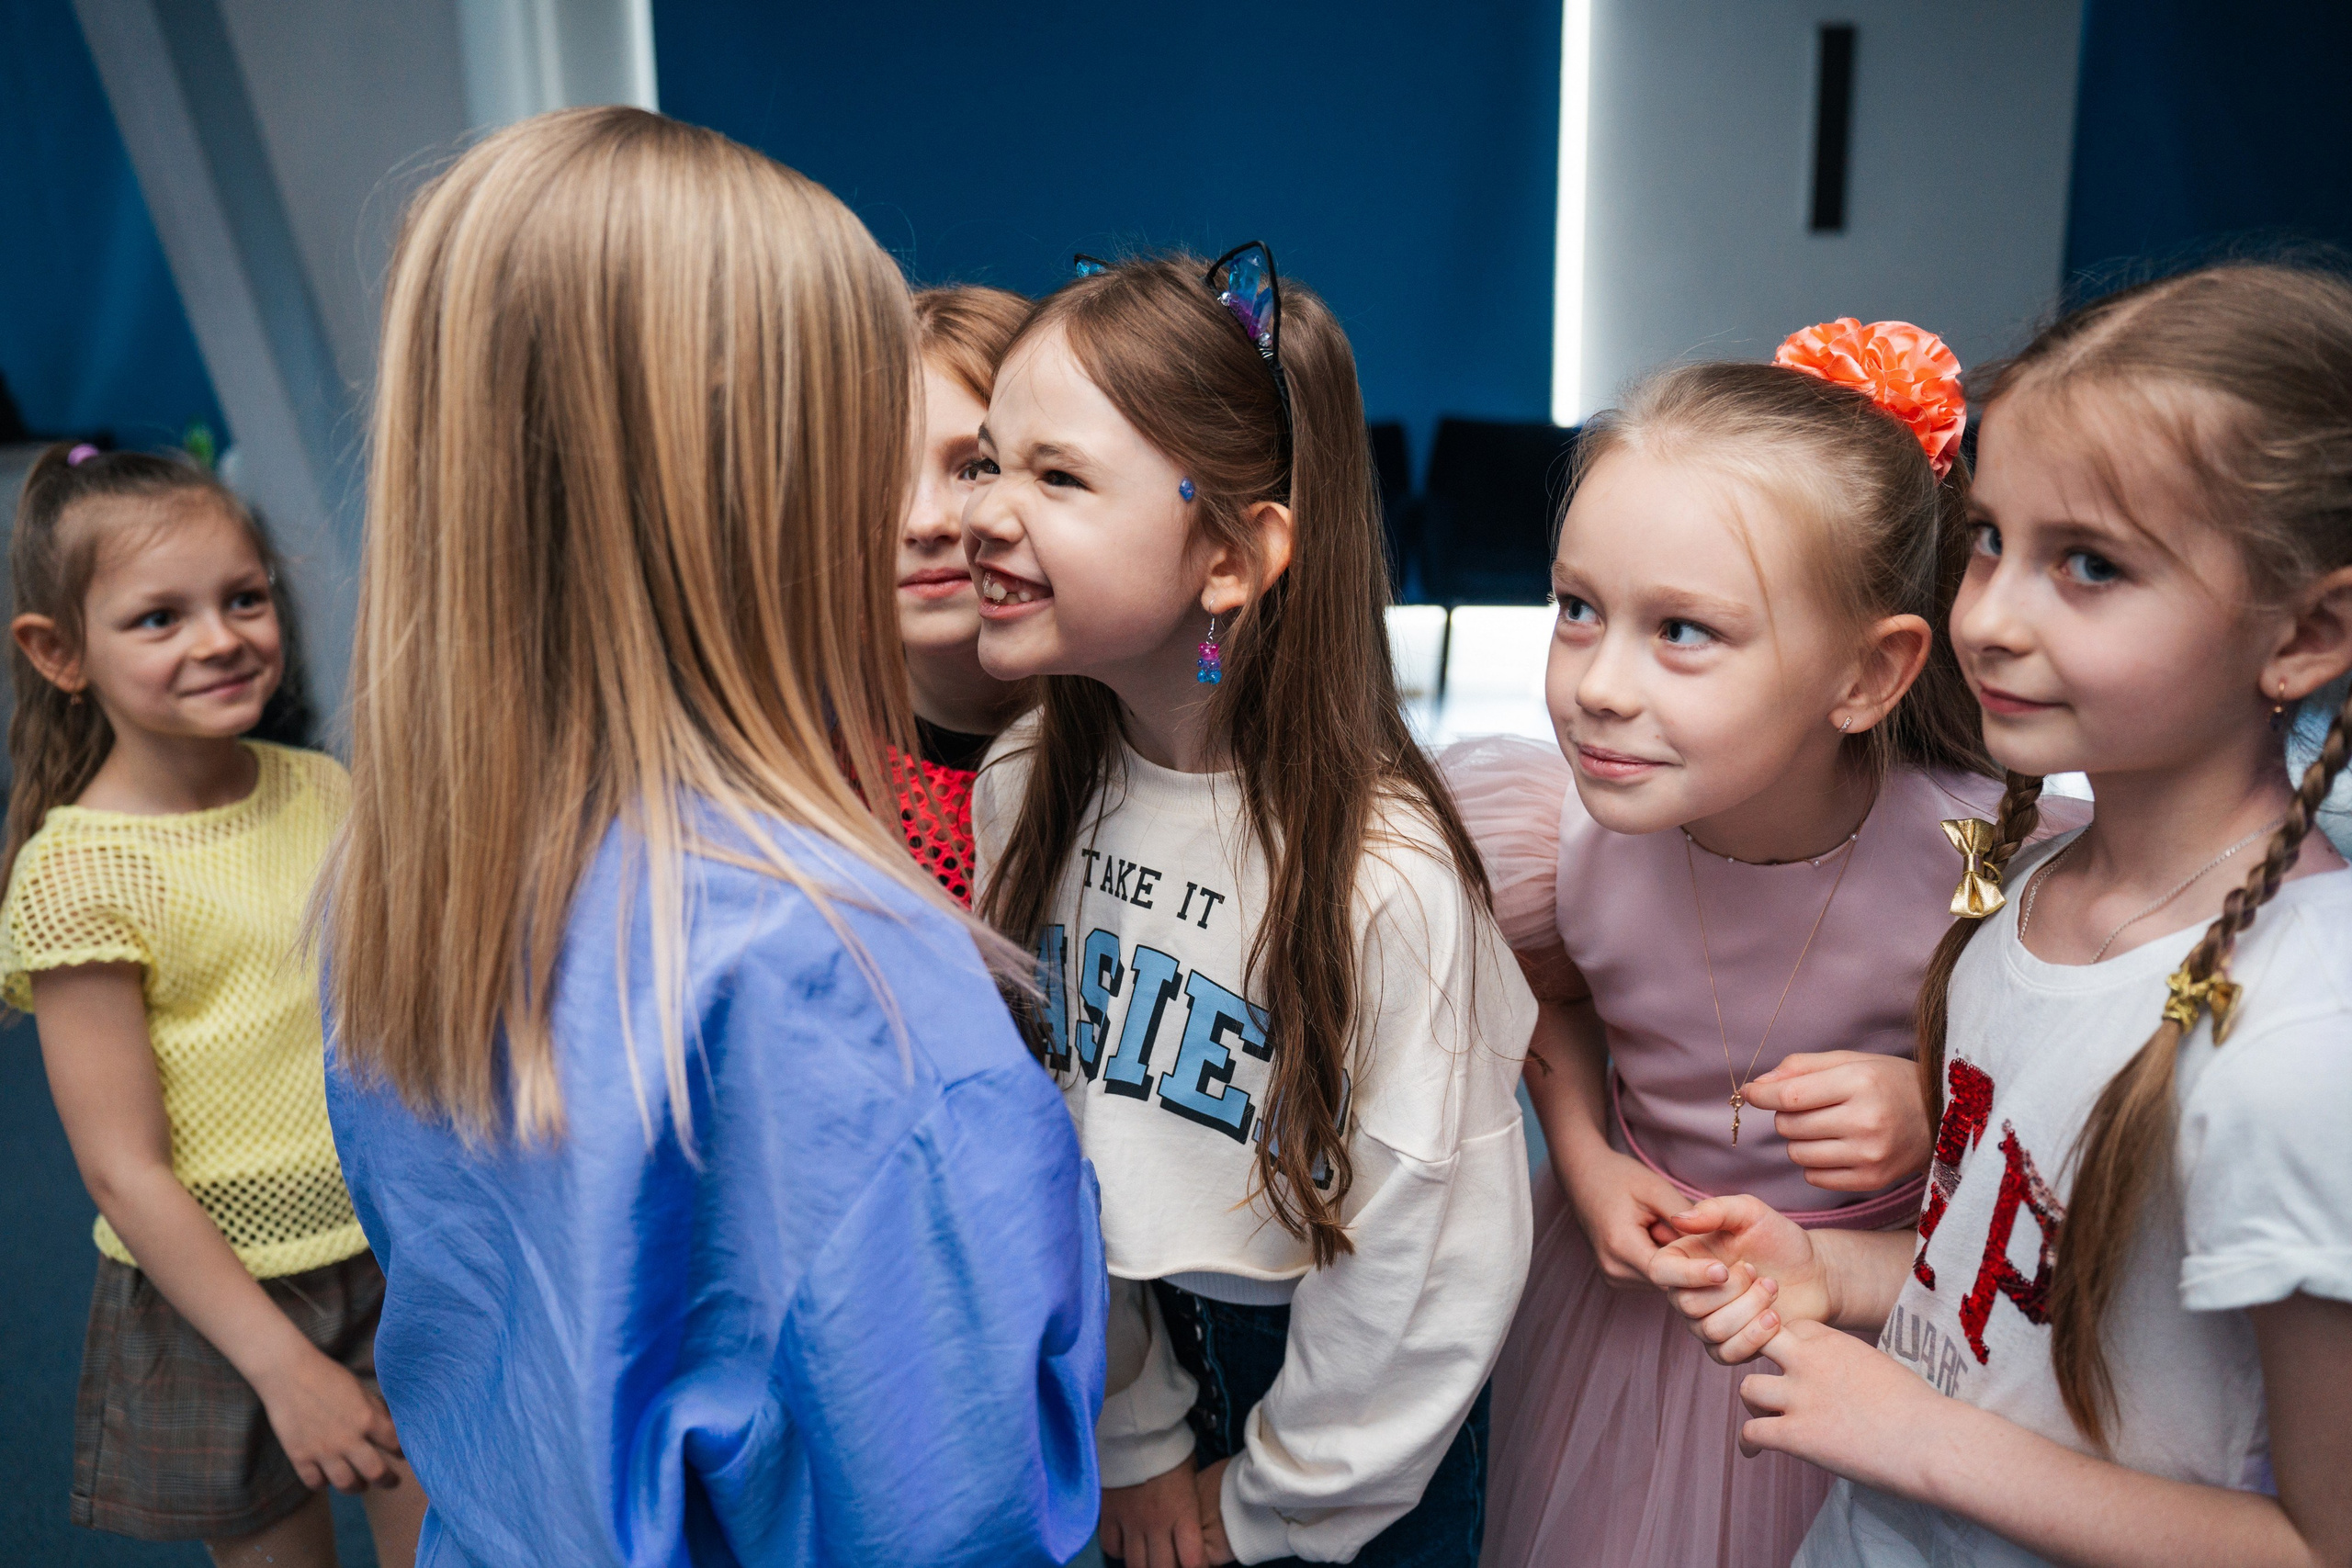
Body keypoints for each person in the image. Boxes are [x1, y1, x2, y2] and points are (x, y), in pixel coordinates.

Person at [321, 107, 1105, 1568]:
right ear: (760, 475)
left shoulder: (397, 882)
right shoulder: (854, 988)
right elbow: (965, 1514)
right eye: (865, 436)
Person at [1657, 263, 2352, 1568]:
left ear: (2308, 632)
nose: (1991, 616)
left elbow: (2317, 1540)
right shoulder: (2035, 888)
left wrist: (1915, 1437)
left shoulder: (2302, 1036)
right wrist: (1834, 1268)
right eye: (1988, 538)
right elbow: (2007, 1279)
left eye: (2087, 563)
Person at [1442, 322, 2082, 1568]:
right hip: (1619, 1317)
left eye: (1683, 630)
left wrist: (1935, 1106)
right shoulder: (1558, 837)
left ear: (1867, 672)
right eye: (1578, 609)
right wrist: (1582, 1155)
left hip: (1862, 1333)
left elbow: (2075, 1129)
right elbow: (1547, 992)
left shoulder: (1985, 865)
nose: (1600, 684)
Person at [969, 246, 1535, 1567]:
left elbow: (1423, 1265)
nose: (983, 511)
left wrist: (1261, 1498)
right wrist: (1138, 1427)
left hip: (1348, 1416)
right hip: (1123, 1362)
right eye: (988, 460)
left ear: (1230, 555)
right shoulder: (1023, 782)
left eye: (1056, 476)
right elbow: (1057, 1137)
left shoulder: (1379, 876)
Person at [2, 444, 421, 1567]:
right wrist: (282, 1367)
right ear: (58, 653)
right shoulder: (81, 873)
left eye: (242, 598)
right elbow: (118, 1168)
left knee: (451, 1539)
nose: (220, 638)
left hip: (388, 1250)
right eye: (158, 618)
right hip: (214, 1302)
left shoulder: (323, 791)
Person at [897, 285, 1033, 904]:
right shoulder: (787, 792)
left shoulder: (1158, 770)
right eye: (878, 475)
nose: (926, 522)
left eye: (975, 466)